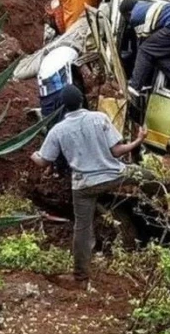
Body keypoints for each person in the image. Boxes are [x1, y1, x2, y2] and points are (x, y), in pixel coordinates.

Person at [31, 85, 156, 290]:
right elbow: (117, 151)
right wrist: (138, 140)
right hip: (114, 175)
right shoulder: (99, 118)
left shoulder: (58, 130)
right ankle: (168, 192)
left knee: (82, 228)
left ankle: (80, 277)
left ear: (63, 106)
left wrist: (34, 155)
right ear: (82, 100)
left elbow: (44, 161)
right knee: (149, 177)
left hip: (84, 186)